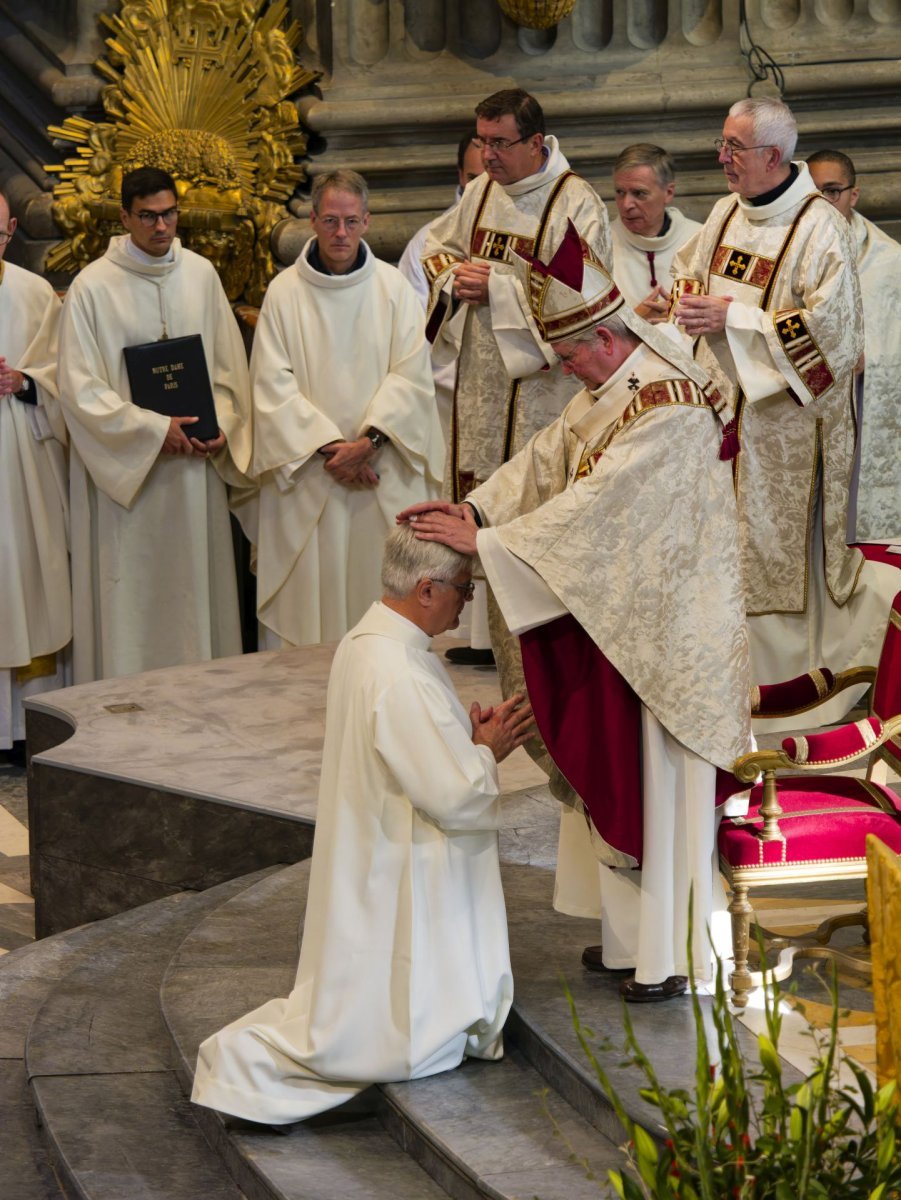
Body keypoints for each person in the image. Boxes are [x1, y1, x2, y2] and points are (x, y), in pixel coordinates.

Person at [403, 222, 752, 1002]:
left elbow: (597, 506)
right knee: (616, 779)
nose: (562, 372)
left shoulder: (666, 407)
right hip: (624, 622)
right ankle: (631, 943)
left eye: (567, 356)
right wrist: (474, 510)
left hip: (668, 643)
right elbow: (542, 461)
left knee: (657, 785)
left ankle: (677, 955)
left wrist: (491, 543)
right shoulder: (608, 391)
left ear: (605, 335)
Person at [192, 524, 532, 1122]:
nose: (466, 600)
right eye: (462, 588)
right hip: (402, 857)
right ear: (426, 589)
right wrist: (487, 753)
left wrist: (466, 737)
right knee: (395, 1018)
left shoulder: (371, 642)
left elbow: (418, 752)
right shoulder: (396, 668)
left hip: (379, 843)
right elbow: (453, 796)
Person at [670, 98, 897, 725]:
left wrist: (734, 319)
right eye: (721, 144)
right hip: (723, 420)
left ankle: (791, 695)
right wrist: (686, 302)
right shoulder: (721, 214)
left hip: (790, 434)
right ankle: (729, 677)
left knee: (777, 555)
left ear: (772, 155)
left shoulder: (820, 227)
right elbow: (691, 274)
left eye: (733, 148)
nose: (721, 158)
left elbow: (837, 337)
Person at [422, 88, 611, 667]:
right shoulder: (481, 193)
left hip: (546, 394)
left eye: (500, 143)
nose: (487, 156)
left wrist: (499, 289)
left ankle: (548, 650)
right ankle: (489, 642)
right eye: (482, 142)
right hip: (483, 382)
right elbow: (436, 249)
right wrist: (454, 278)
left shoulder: (576, 203)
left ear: (535, 142)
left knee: (537, 507)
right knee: (485, 493)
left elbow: (586, 301)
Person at [57, 167, 251, 684]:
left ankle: (206, 697)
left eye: (169, 214)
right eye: (148, 216)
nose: (161, 227)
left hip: (193, 474)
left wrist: (223, 425)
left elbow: (230, 372)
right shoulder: (92, 288)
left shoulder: (201, 274)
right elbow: (78, 390)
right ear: (124, 217)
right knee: (135, 599)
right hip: (133, 484)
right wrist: (150, 430)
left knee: (195, 592)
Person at [249, 169, 444, 650]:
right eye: (331, 221)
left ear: (367, 222)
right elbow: (271, 385)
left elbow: (412, 375)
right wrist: (333, 449)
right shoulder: (284, 292)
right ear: (313, 220)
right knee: (308, 619)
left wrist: (369, 443)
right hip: (313, 474)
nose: (341, 233)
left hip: (381, 468)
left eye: (351, 221)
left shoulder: (393, 288)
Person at [0, 191, 70, 757]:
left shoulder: (34, 293)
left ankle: (23, 728)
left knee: (26, 573)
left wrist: (23, 381)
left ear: (13, 228)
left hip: (24, 459)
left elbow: (61, 376)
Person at [808, 149, 901, 544]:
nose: (823, 203)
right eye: (813, 193)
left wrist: (867, 360)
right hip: (811, 407)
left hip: (868, 406)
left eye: (832, 191)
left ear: (854, 195)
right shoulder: (793, 254)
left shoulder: (890, 261)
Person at [609, 143, 702, 315]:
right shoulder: (599, 245)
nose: (626, 204)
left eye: (639, 193)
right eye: (620, 192)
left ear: (668, 193)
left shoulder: (699, 240)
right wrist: (636, 322)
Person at [398, 131, 485, 312]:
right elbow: (413, 322)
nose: (481, 189)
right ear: (460, 175)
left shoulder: (528, 232)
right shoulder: (427, 242)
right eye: (473, 178)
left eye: (489, 179)